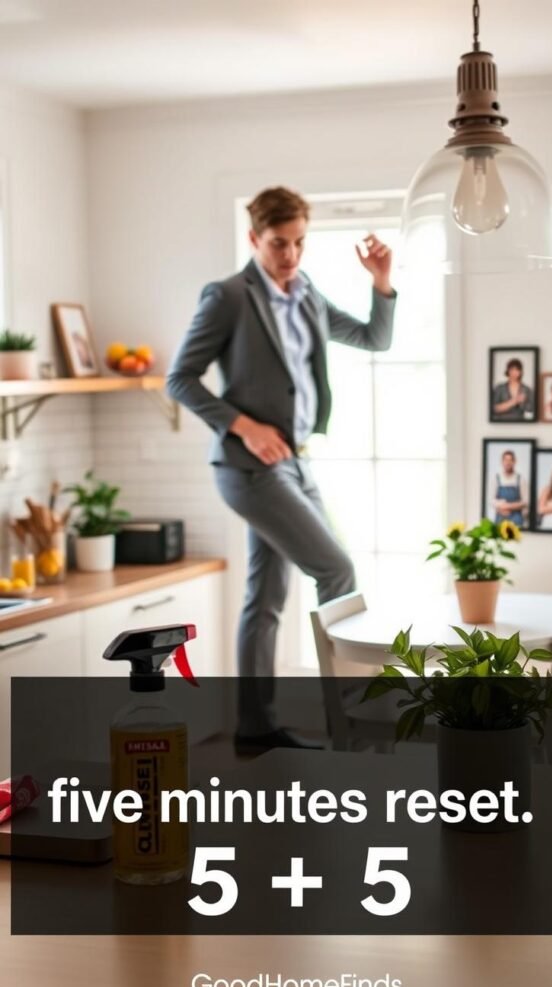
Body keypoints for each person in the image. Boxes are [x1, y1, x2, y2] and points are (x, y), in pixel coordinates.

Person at [167, 186, 397, 754]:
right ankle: (351, 721)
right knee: (337, 570)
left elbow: (375, 338)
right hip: (249, 468)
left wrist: (382, 281)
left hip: (296, 463)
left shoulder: (309, 295)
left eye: (298, 243)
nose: (290, 255)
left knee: (265, 598)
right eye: (278, 244)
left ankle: (255, 729)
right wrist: (242, 424)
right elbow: (181, 379)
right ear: (254, 239)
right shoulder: (227, 297)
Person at [490, 450, 529, 527]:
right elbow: (491, 500)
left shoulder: (520, 479)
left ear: (514, 462)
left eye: (510, 460)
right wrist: (501, 507)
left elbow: (525, 501)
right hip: (500, 517)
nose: (508, 462)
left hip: (516, 518)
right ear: (502, 462)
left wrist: (508, 506)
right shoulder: (496, 478)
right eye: (506, 460)